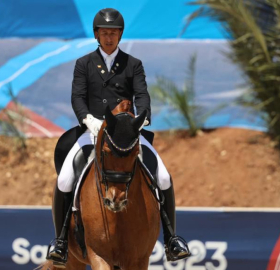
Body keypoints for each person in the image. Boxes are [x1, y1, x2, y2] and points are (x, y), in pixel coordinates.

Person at [46, 8, 191, 267]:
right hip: (92, 132)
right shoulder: (84, 64)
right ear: (97, 35)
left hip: (126, 133)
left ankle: (172, 239)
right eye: (105, 33)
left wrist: (142, 117)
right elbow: (77, 97)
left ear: (120, 35)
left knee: (164, 177)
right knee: (66, 177)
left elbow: (142, 95)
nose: (109, 38)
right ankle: (59, 241)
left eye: (113, 33)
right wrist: (88, 119)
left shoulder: (133, 64)